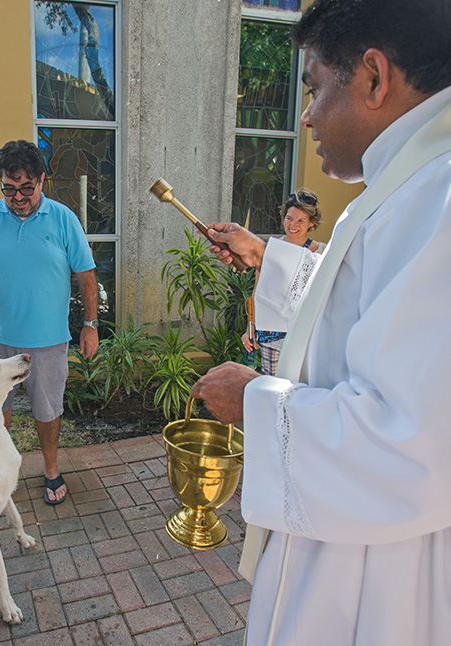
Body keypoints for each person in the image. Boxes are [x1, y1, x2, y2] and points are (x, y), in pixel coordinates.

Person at [190, 0, 451, 644]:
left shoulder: (439, 197)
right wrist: (265, 255)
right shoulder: (410, 181)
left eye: (313, 87)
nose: (305, 115)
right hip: (355, 536)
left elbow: (409, 441)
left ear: (371, 78)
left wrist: (253, 398)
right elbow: (359, 311)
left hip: (385, 573)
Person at [0, 139, 99, 505]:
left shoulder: (64, 219)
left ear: (41, 181)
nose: (17, 197)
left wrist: (90, 324)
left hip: (48, 342)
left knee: (47, 411)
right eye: (8, 188)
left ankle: (51, 469)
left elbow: (86, 275)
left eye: (25, 188)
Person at [241, 189, 325, 375]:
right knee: (273, 384)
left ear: (312, 222)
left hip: (304, 331)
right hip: (272, 332)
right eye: (289, 218)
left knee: (299, 383)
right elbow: (258, 291)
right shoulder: (270, 250)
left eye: (301, 220)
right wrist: (250, 327)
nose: (292, 225)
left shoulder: (320, 253)